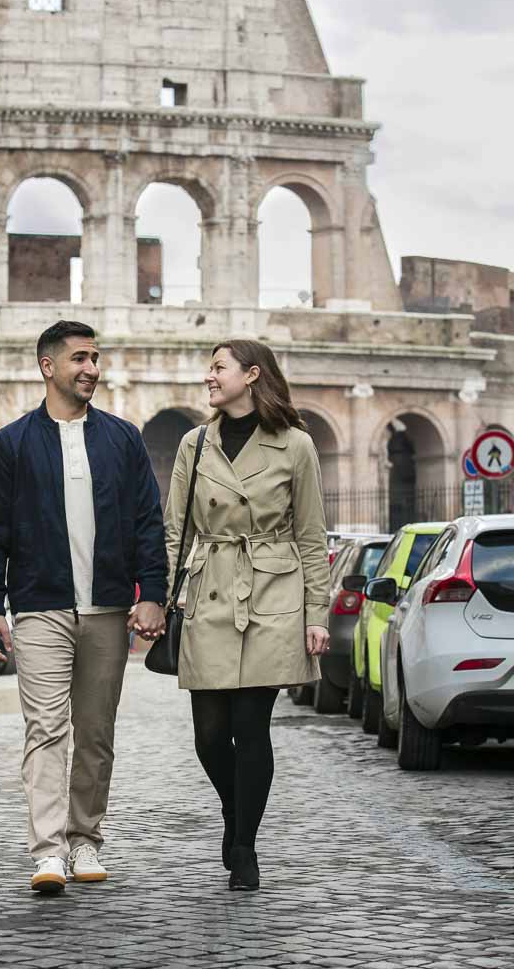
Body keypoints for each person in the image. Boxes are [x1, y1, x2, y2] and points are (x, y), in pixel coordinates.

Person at [0, 320, 167, 893]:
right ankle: (48, 851)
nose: (91, 369)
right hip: (39, 607)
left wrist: (150, 593)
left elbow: (146, 522)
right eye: (80, 358)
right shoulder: (11, 443)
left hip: (108, 608)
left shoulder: (124, 439)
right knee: (45, 729)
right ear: (48, 366)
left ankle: (85, 839)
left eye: (96, 358)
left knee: (96, 732)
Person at [163, 339, 330, 892]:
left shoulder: (296, 445)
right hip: (210, 587)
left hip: (273, 593)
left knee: (250, 726)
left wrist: (317, 614)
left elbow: (311, 536)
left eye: (219, 368)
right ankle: (236, 814)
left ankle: (245, 845)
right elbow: (176, 532)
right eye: (209, 368)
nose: (209, 377)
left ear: (251, 375)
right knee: (209, 735)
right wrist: (161, 599)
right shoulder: (195, 443)